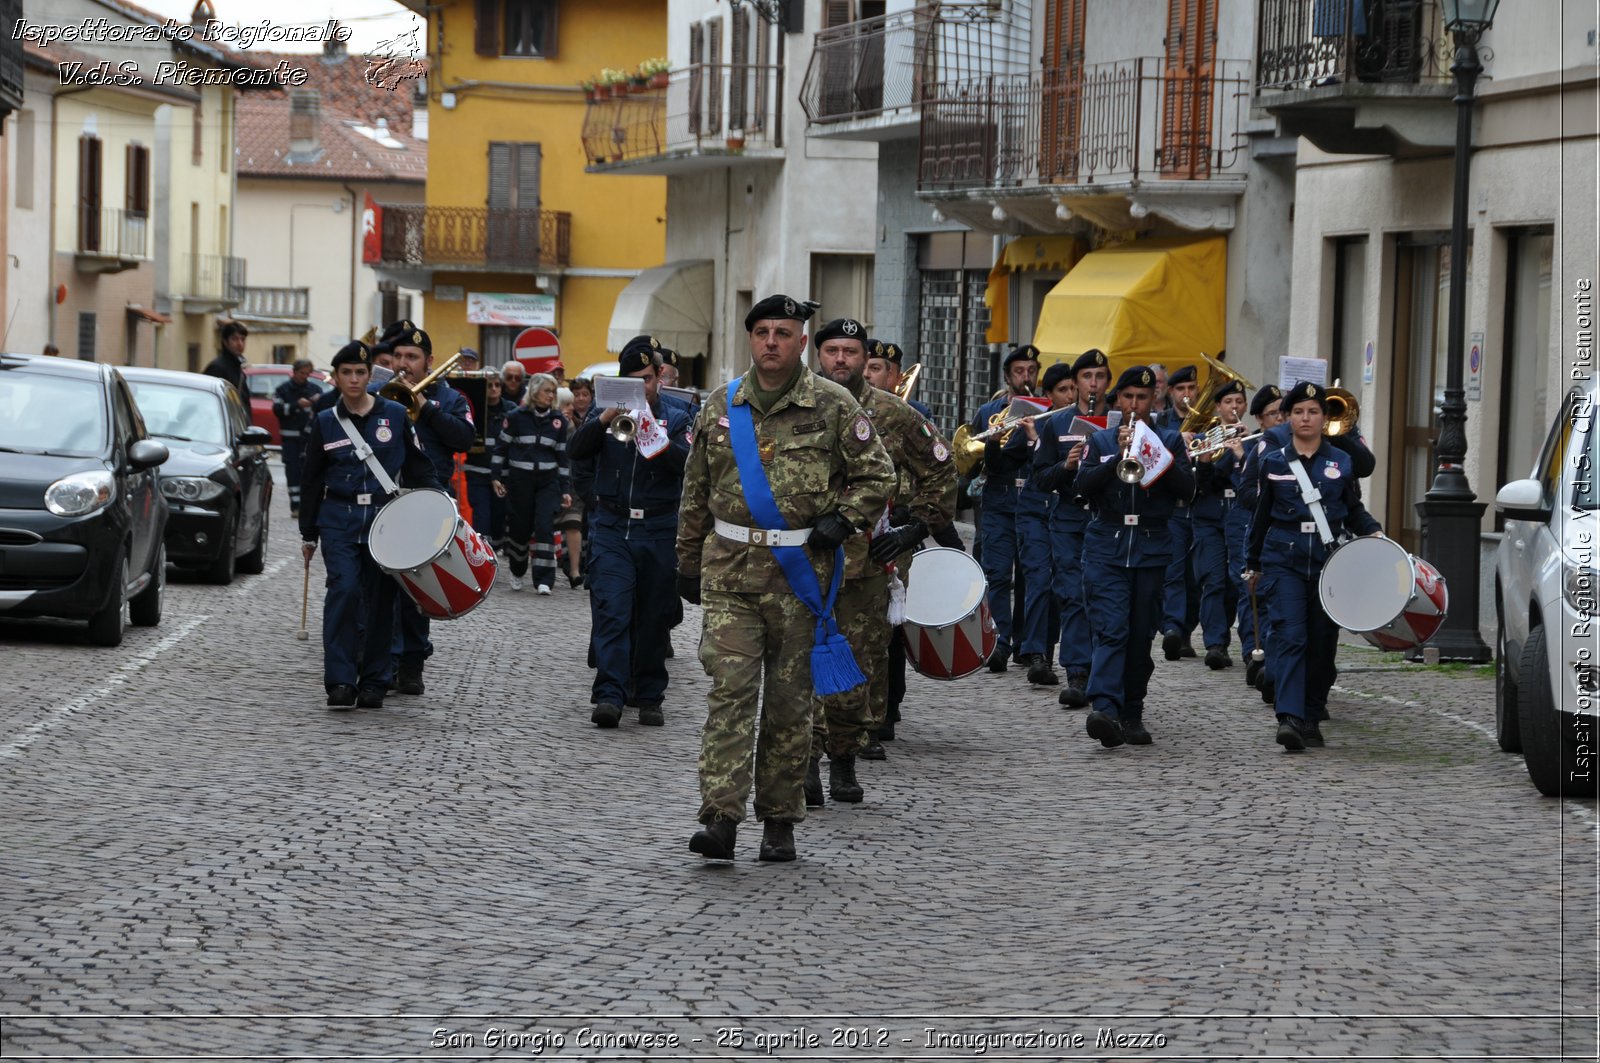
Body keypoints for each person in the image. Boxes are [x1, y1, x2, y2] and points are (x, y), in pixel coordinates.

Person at [676, 294, 895, 863]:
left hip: (801, 578)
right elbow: (695, 491)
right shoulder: (721, 406)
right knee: (730, 693)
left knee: (790, 704)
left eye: (783, 332)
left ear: (802, 342)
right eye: (762, 331)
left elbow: (878, 475)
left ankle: (779, 819)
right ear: (750, 339)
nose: (771, 341)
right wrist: (684, 561)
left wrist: (842, 519)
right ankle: (720, 818)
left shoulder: (834, 404)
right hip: (729, 574)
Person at [806, 317, 956, 797]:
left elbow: (941, 467)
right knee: (799, 667)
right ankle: (805, 761)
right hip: (803, 562)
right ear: (818, 355)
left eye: (851, 352)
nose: (842, 361)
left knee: (858, 669)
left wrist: (917, 527)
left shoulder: (893, 415)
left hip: (868, 565)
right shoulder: (797, 407)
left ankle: (845, 759)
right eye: (832, 351)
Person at [298, 341, 438, 709]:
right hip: (339, 520)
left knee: (381, 601)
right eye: (347, 373)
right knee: (344, 592)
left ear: (369, 376)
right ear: (336, 377)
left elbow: (418, 465)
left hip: (383, 521)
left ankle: (375, 680)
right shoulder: (326, 421)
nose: (355, 379)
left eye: (361, 372)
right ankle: (341, 681)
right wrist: (308, 532)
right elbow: (312, 479)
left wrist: (439, 505)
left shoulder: (393, 415)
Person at [1245, 381, 1381, 751]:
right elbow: (1259, 517)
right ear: (1287, 418)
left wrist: (1374, 532)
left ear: (1323, 418)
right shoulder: (1272, 462)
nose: (1306, 418)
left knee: (1321, 642)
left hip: (1327, 562)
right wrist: (1252, 562)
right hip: (1282, 558)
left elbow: (1352, 509)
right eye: (1299, 412)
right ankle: (1289, 718)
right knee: (1291, 636)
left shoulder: (1341, 461)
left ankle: (1310, 710)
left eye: (1313, 411)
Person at [569, 335, 693, 728]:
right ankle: (609, 694)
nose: (641, 387)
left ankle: (650, 694)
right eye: (632, 380)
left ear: (659, 377)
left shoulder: (678, 416)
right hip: (612, 525)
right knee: (612, 610)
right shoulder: (606, 411)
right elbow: (576, 451)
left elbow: (690, 466)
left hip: (658, 526)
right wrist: (605, 418)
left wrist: (656, 439)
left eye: (647, 379)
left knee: (654, 615)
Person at [1074, 366, 1195, 748]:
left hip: (1151, 545)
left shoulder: (1170, 441)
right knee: (1111, 628)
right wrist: (1114, 461)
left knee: (1141, 634)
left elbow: (1188, 490)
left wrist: (1154, 455)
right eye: (1128, 397)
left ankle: (1132, 710)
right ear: (1117, 400)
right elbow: (1081, 486)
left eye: (1142, 398)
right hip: (1106, 545)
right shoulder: (1101, 441)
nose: (1135, 405)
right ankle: (1105, 708)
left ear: (1152, 401)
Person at [382, 323, 476, 695]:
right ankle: (383, 662)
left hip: (428, 499)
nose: (405, 364)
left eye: (412, 358)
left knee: (417, 586)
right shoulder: (381, 394)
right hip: (387, 497)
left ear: (429, 362)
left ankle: (412, 663)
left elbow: (464, 438)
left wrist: (424, 406)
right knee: (383, 587)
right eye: (399, 357)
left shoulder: (452, 399)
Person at [1033, 348, 1111, 708]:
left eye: (1100, 377)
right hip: (1067, 518)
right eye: (1086, 377)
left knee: (1104, 595)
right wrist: (1066, 466)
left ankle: (1105, 670)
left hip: (1107, 520)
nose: (1093, 384)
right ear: (1076, 383)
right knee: (1071, 593)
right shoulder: (1056, 423)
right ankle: (1077, 672)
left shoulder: (1119, 423)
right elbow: (1039, 479)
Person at [970, 344, 1041, 671]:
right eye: (1019, 371)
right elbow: (971, 453)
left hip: (1031, 501)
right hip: (998, 500)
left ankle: (1027, 643)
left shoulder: (1047, 411)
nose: (1026, 377)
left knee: (1030, 575)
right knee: (997, 574)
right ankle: (999, 641)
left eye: (1031, 371)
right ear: (1008, 376)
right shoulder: (988, 412)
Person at [1006, 361, 1077, 686]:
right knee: (1038, 578)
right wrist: (1032, 437)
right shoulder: (1042, 423)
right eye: (1062, 390)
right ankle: (1036, 654)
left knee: (1061, 584)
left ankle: (1048, 651)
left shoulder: (1077, 424)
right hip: (1035, 510)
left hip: (1063, 513)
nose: (1070, 395)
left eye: (1072, 389)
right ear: (1048, 395)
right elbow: (1010, 462)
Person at [1190, 378, 1249, 669]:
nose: (1234, 407)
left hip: (1238, 517)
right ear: (1218, 407)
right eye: (1228, 402)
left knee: (1233, 582)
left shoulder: (1253, 441)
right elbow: (1204, 483)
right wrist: (1220, 454)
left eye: (1239, 402)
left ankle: (1232, 641)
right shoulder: (1206, 438)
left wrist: (1242, 449)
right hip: (1209, 518)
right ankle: (1214, 644)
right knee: (1212, 580)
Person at [492, 372, 569, 593]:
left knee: (544, 527)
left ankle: (544, 579)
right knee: (520, 529)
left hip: (547, 482)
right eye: (547, 390)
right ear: (534, 392)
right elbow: (501, 449)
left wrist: (565, 489)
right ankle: (517, 570)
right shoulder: (516, 417)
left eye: (553, 391)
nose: (551, 395)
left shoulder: (558, 421)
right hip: (520, 482)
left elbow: (563, 458)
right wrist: (496, 477)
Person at [1158, 364, 1201, 660]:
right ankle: (1172, 629)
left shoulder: (1208, 423)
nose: (1187, 394)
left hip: (1201, 508)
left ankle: (1186, 629)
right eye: (1181, 389)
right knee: (1173, 571)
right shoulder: (1161, 423)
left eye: (1191, 389)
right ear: (1171, 392)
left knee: (1196, 575)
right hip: (1172, 508)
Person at [464, 372, 515, 557]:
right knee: (481, 515)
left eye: (497, 385)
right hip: (477, 472)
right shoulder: (473, 409)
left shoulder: (511, 410)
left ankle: (496, 547)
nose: (493, 389)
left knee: (498, 516)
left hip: (502, 475)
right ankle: (482, 555)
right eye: (489, 385)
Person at [271, 359, 321, 518]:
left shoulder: (315, 389)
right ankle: (295, 507)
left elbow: (322, 409)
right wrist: (296, 405)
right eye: (302, 373)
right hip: (290, 441)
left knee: (309, 472)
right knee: (293, 473)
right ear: (294, 371)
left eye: (307, 374)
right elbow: (277, 409)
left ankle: (307, 506)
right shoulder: (282, 390)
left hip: (309, 440)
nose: (304, 377)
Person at [204, 322, 249, 400]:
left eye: (243, 339)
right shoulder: (217, 368)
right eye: (235, 339)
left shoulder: (238, 367)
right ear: (225, 342)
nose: (240, 343)